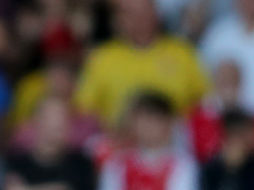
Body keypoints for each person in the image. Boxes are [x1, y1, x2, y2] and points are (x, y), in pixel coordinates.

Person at [74, 0, 208, 126]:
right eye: (130, 14)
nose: (139, 20)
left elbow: (204, 103)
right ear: (118, 19)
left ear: (156, 14)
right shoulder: (102, 58)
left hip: (175, 143)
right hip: (119, 144)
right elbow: (85, 112)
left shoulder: (183, 53)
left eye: (144, 12)